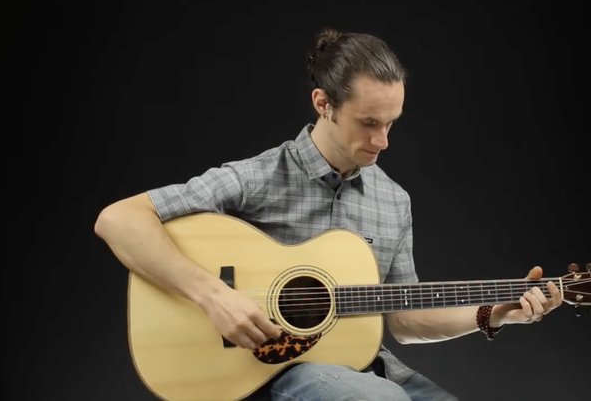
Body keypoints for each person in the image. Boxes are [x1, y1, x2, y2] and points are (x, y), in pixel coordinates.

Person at [94, 28, 562, 401]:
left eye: (391, 123)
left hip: (364, 371)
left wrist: (494, 315)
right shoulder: (257, 177)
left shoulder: (393, 201)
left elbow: (405, 321)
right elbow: (119, 219)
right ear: (324, 104)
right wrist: (214, 297)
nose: (383, 141)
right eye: (369, 123)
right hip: (268, 373)